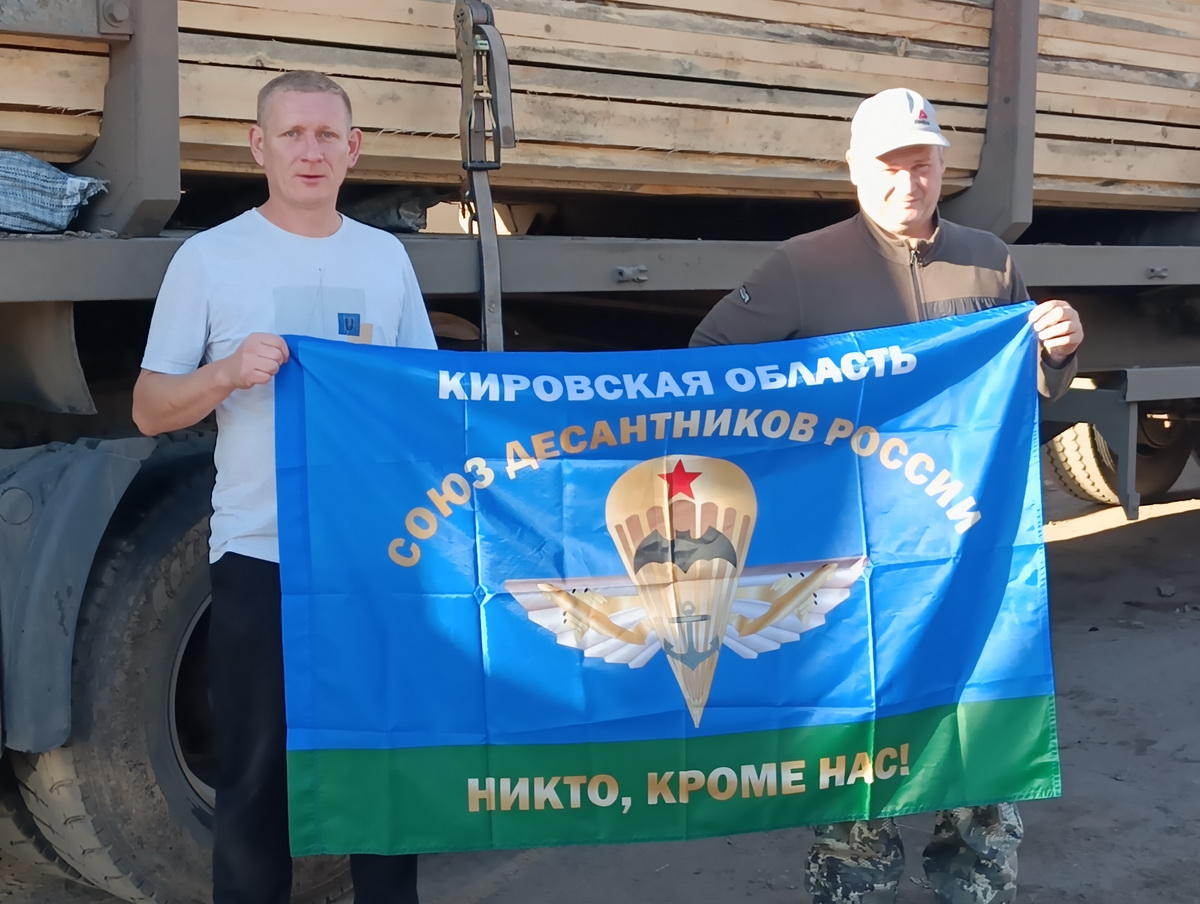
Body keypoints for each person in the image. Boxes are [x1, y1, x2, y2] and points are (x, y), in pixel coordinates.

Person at [690, 88, 1084, 904]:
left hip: (965, 553)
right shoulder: (805, 264)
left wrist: (1057, 350)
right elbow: (712, 363)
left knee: (976, 737)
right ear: (855, 168)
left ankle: (973, 881)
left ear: (944, 166)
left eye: (924, 163)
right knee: (855, 750)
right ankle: (854, 880)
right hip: (851, 559)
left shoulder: (989, 261)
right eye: (891, 165)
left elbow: (1025, 385)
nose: (910, 182)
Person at [132, 71, 437, 904]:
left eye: (326, 135)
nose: (311, 151)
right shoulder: (209, 259)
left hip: (374, 555)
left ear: (353, 148)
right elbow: (150, 408)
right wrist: (227, 373)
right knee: (256, 778)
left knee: (383, 772)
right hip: (261, 553)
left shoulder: (385, 259)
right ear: (258, 146)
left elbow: (424, 400)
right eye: (292, 134)